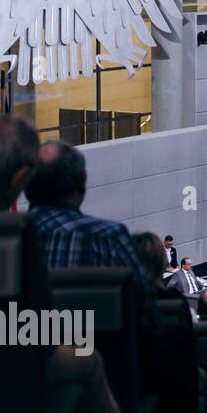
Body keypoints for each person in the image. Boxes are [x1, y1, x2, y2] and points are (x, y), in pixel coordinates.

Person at [0, 116, 180, 413]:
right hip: (10, 368)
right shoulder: (23, 235)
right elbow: (145, 314)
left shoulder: (17, 228)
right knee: (87, 354)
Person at [26, 139, 155, 327]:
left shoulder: (5, 241)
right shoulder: (108, 238)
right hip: (97, 352)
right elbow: (147, 312)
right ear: (83, 178)